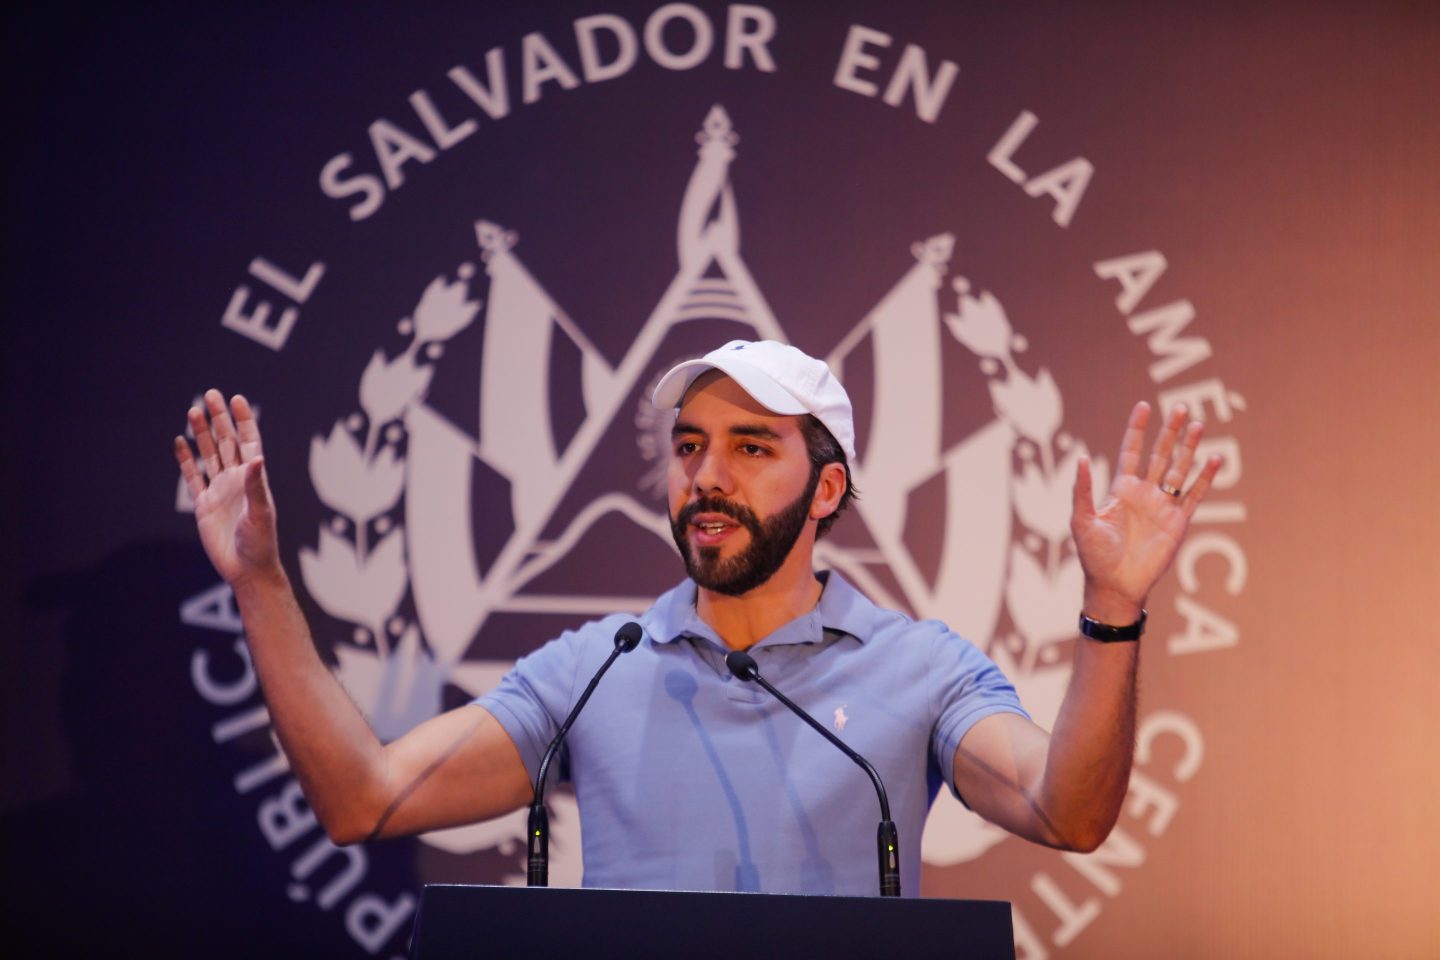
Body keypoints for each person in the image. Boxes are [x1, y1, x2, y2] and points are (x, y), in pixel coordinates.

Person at [175, 339, 1221, 896]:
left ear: (824, 491)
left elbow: (1068, 812)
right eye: (688, 446)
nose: (703, 477)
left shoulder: (918, 670)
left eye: (751, 448)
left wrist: (1112, 608)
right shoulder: (596, 667)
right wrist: (262, 582)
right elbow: (365, 800)